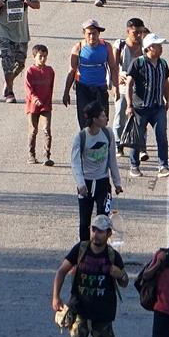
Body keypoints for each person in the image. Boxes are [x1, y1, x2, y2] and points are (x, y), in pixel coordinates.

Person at [53, 213, 127, 337]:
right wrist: (56, 296)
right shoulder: (80, 249)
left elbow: (124, 283)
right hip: (80, 312)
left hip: (103, 316)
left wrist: (120, 274)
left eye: (101, 231)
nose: (96, 234)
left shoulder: (113, 256)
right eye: (94, 230)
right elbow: (61, 271)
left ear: (109, 234)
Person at [70, 102, 123, 238]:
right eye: (103, 115)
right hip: (86, 185)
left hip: (103, 183)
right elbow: (75, 163)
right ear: (94, 119)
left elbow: (112, 159)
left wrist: (117, 182)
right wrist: (81, 184)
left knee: (103, 221)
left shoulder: (107, 133)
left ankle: (101, 250)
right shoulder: (81, 137)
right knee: (84, 222)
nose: (106, 118)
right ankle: (84, 250)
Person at [126, 35, 169, 177]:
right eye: (157, 45)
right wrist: (129, 105)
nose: (161, 48)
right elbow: (129, 83)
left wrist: (166, 99)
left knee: (162, 136)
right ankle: (134, 165)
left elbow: (165, 82)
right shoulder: (138, 63)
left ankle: (163, 166)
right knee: (137, 137)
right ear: (149, 48)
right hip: (140, 108)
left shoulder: (163, 63)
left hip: (158, 106)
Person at [65, 18, 119, 125]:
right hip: (83, 89)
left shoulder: (106, 47)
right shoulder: (78, 48)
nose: (92, 37)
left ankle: (101, 141)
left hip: (100, 88)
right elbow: (72, 71)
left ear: (99, 33)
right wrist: (66, 92)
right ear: (84, 34)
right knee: (85, 122)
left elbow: (113, 68)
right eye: (89, 34)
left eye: (94, 33)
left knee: (102, 121)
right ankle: (86, 141)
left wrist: (115, 88)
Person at [26, 44, 58, 165]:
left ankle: (47, 156)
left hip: (46, 106)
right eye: (40, 56)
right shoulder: (30, 71)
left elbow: (51, 87)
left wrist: (48, 102)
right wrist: (35, 99)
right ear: (34, 57)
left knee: (46, 130)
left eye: (45, 56)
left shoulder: (50, 71)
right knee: (33, 130)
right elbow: (28, 89)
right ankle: (31, 155)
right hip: (33, 107)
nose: (43, 59)